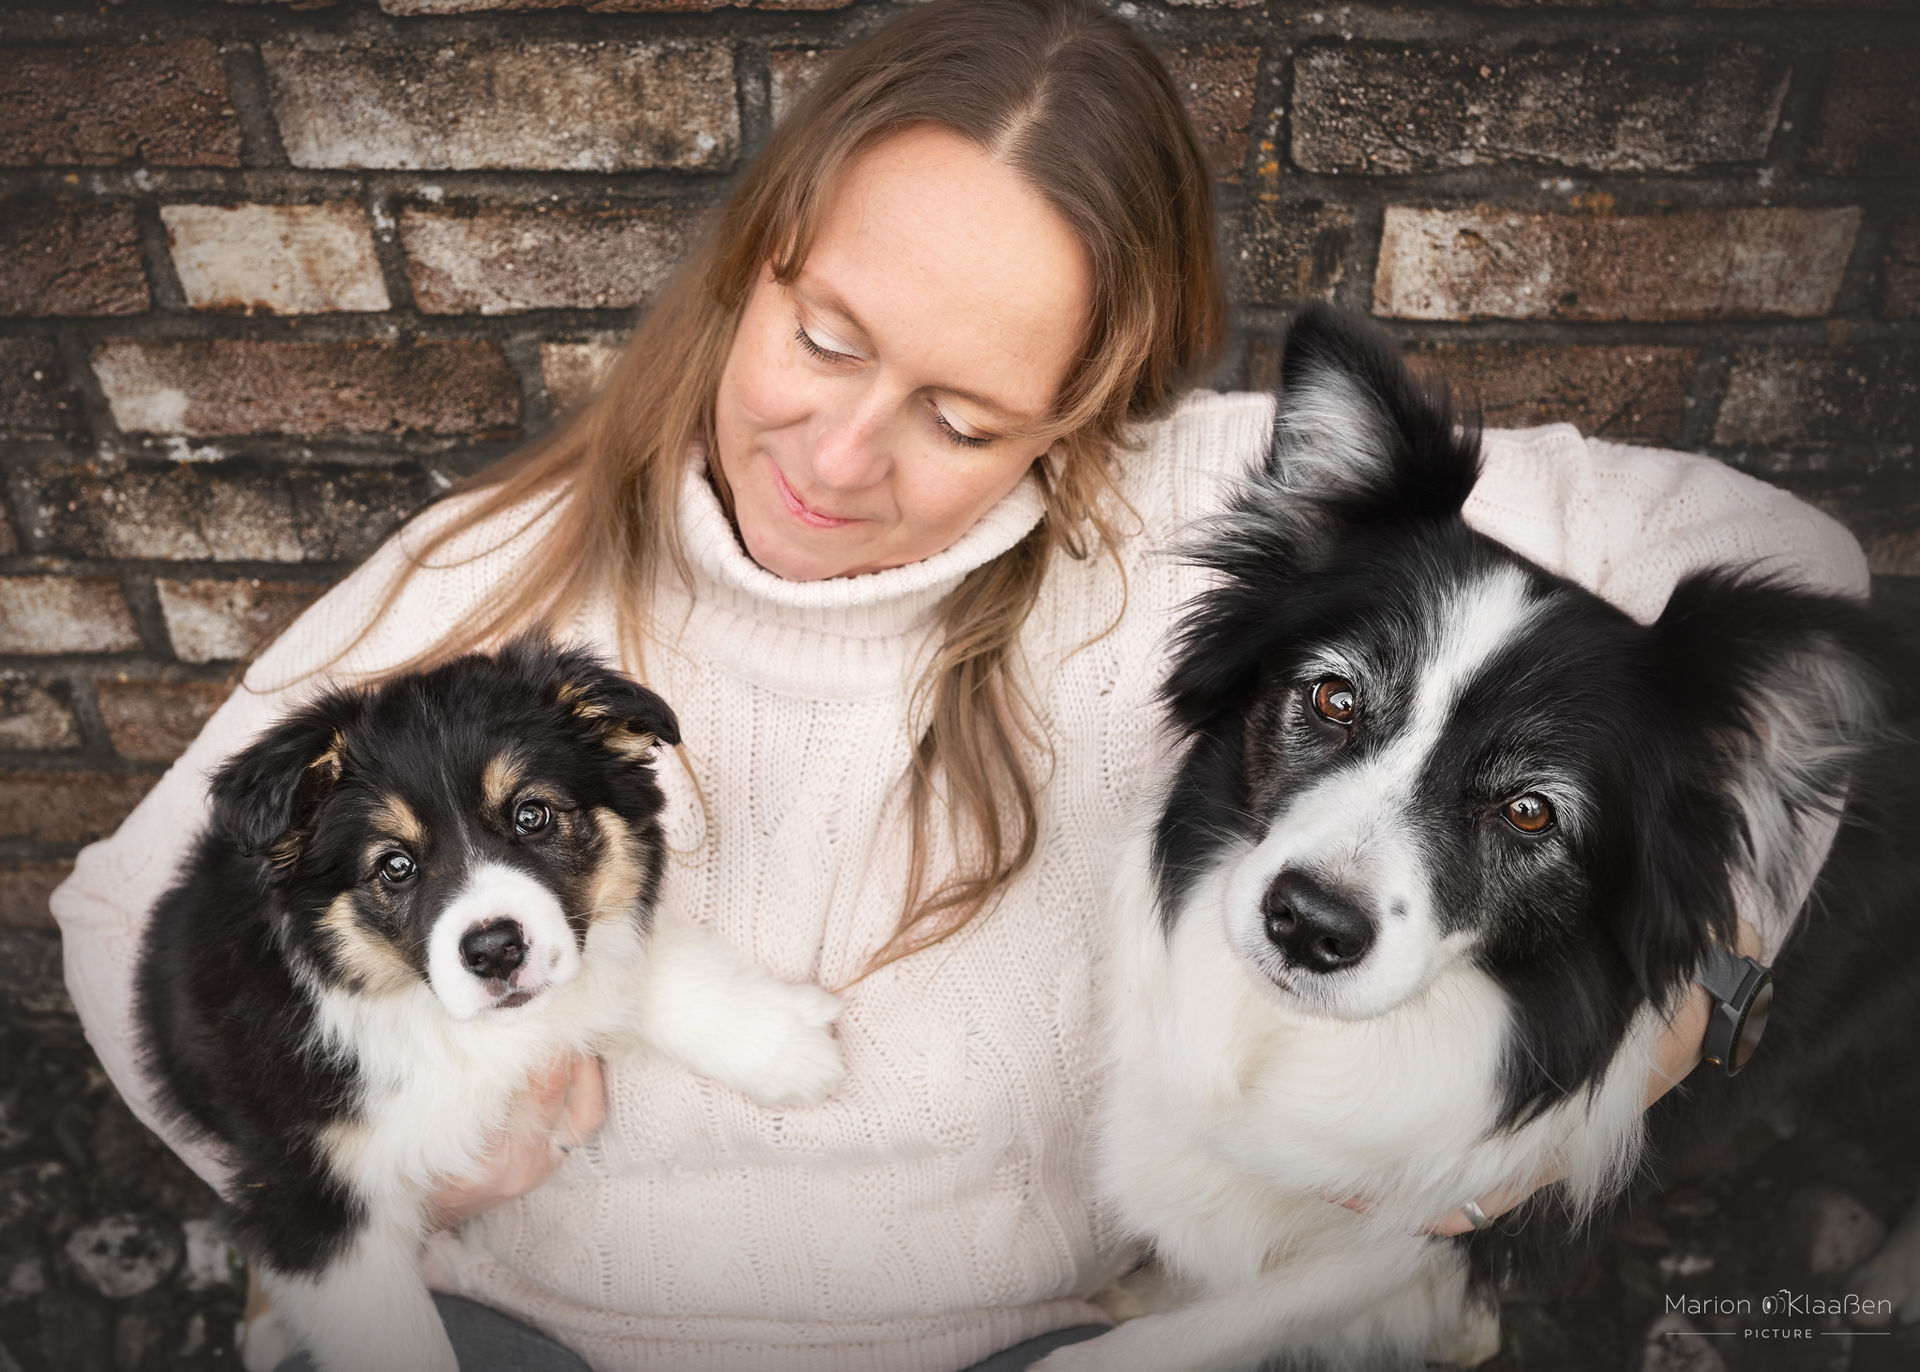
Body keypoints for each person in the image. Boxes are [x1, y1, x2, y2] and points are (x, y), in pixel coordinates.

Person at [49, 1, 1869, 1369]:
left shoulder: (1190, 504)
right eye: (823, 336)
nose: (839, 457)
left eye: (964, 416)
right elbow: (122, 913)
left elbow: (1790, 566)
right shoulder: (494, 579)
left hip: (1023, 1342)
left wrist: (1679, 996)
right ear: (750, 267)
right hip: (520, 1333)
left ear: (1089, 412)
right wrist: (381, 1167)